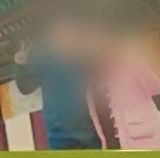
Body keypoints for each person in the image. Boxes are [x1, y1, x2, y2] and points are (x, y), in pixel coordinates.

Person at [12, 11, 99, 150]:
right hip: (59, 136)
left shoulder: (86, 54)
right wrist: (20, 65)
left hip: (91, 132)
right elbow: (25, 87)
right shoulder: (44, 56)